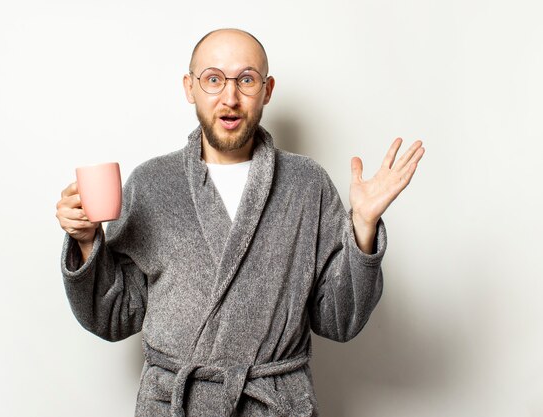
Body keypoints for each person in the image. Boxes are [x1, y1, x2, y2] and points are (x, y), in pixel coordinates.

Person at [56, 28, 424, 416]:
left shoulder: (306, 184)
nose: (230, 98)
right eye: (213, 79)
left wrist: (364, 227)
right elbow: (114, 317)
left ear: (267, 90)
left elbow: (338, 319)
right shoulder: (151, 183)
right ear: (189, 87)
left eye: (246, 80)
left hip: (273, 406)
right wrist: (85, 241)